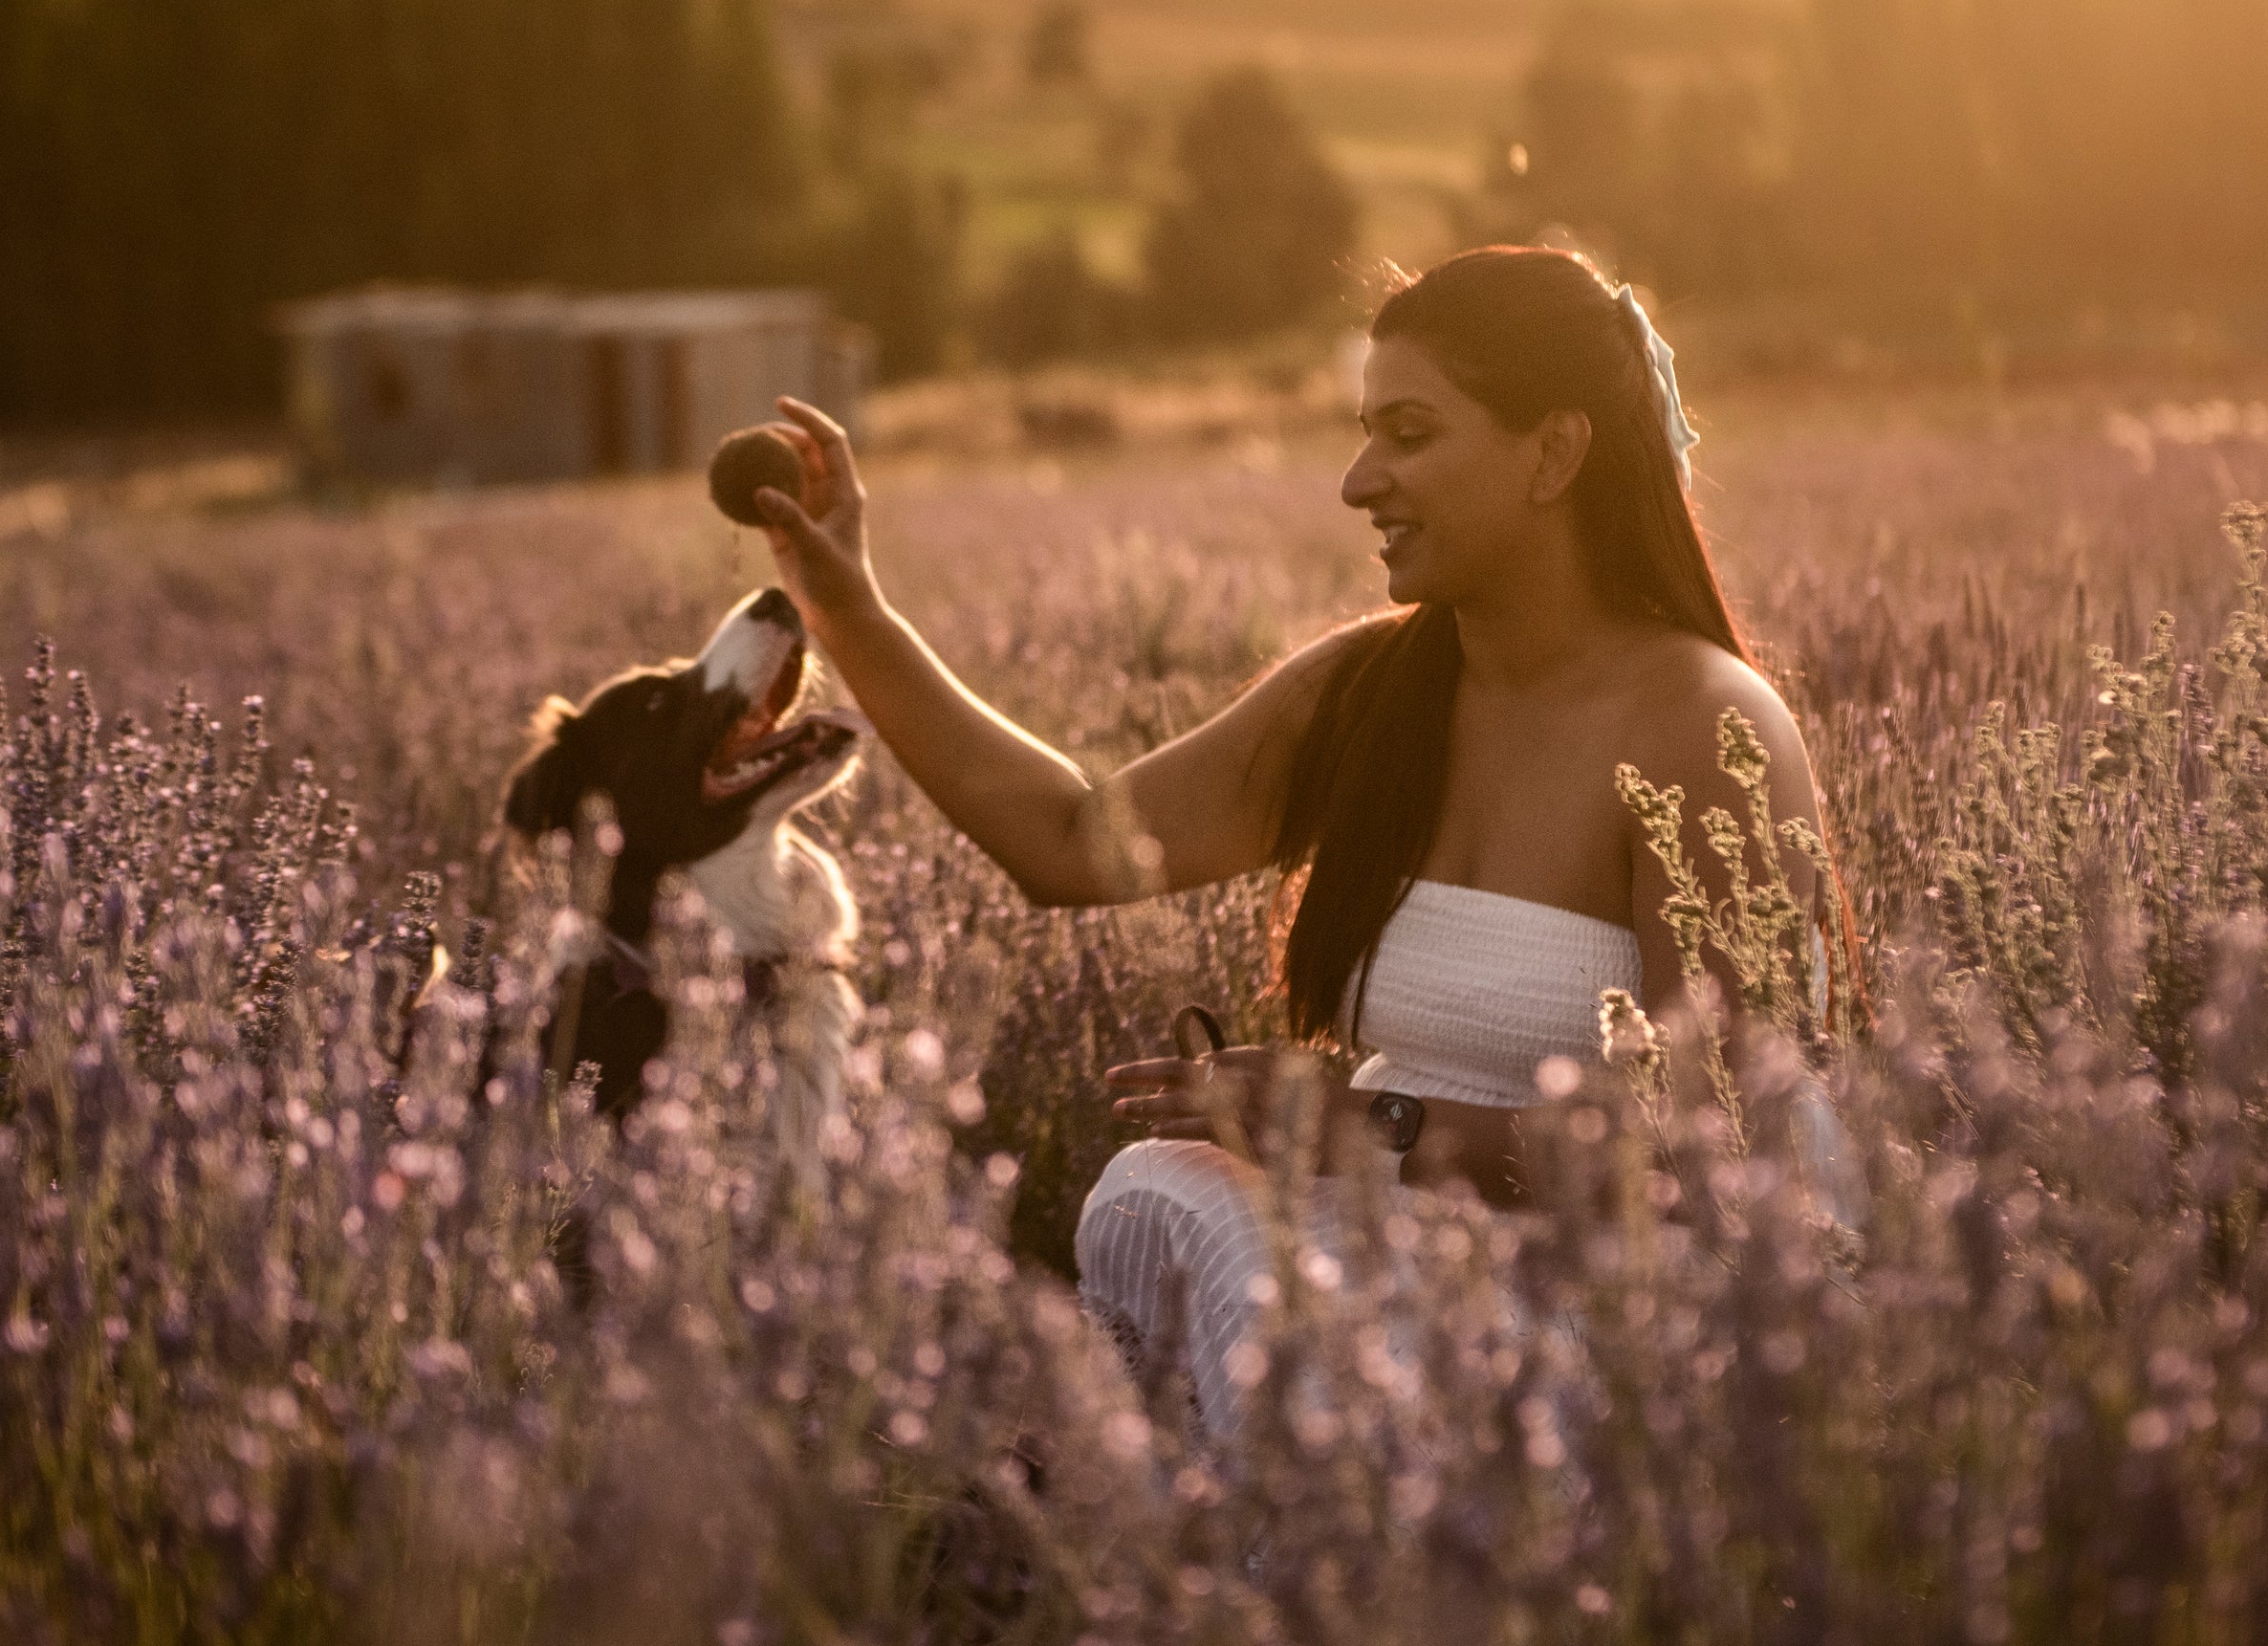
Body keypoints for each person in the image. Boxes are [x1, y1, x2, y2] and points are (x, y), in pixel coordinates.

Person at [748, 244, 1837, 1440]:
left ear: (1556, 453)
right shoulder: (1371, 694)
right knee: (1164, 1193)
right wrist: (843, 604)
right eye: (1365, 431)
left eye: (1411, 434)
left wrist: (1371, 1122)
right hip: (1398, 1250)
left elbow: (1713, 1155)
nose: (1359, 480)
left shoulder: (1706, 731)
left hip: (1618, 1310)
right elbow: (1070, 840)